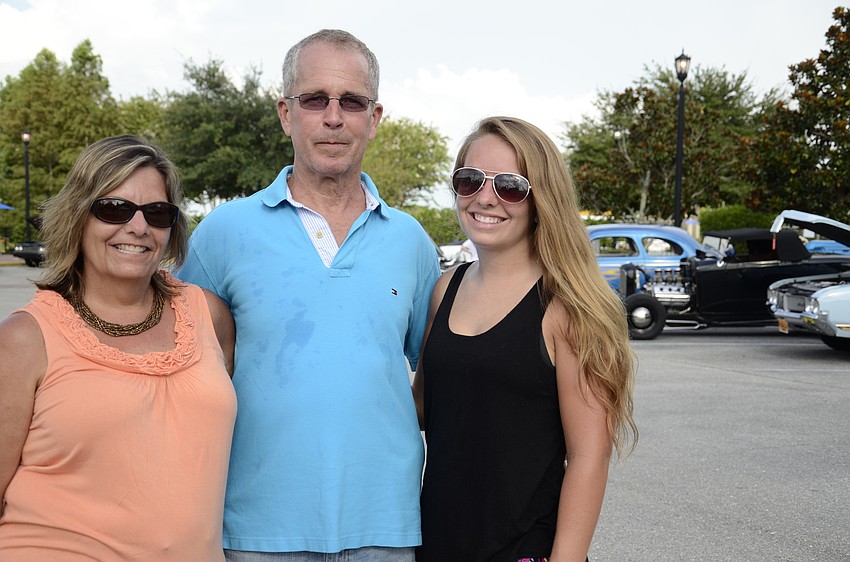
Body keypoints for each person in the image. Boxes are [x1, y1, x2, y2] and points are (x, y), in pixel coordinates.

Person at [177, 29, 440, 561]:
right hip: (255, 533)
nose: (334, 117)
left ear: (375, 117)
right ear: (285, 112)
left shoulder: (411, 241)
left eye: (352, 102)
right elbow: (180, 382)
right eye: (315, 99)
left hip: (385, 531)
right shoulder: (223, 234)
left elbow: (435, 377)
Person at [0, 135, 237, 561]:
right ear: (78, 216)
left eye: (158, 212)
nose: (139, 227)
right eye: (114, 208)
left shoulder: (210, 317)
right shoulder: (25, 339)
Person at [413, 116, 638, 562]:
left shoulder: (567, 308)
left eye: (510, 186)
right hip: (434, 543)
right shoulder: (445, 289)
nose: (485, 198)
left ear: (541, 198)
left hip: (524, 549)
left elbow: (589, 458)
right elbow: (422, 407)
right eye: (469, 180)